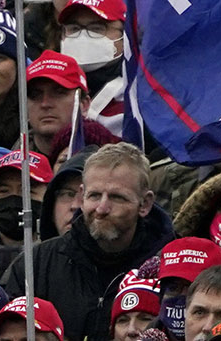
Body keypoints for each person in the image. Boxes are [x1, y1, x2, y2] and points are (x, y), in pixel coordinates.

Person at [19, 144, 173, 341]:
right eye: (94, 195)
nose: (102, 208)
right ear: (82, 197)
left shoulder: (172, 268)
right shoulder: (36, 265)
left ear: (144, 204)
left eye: (117, 197)